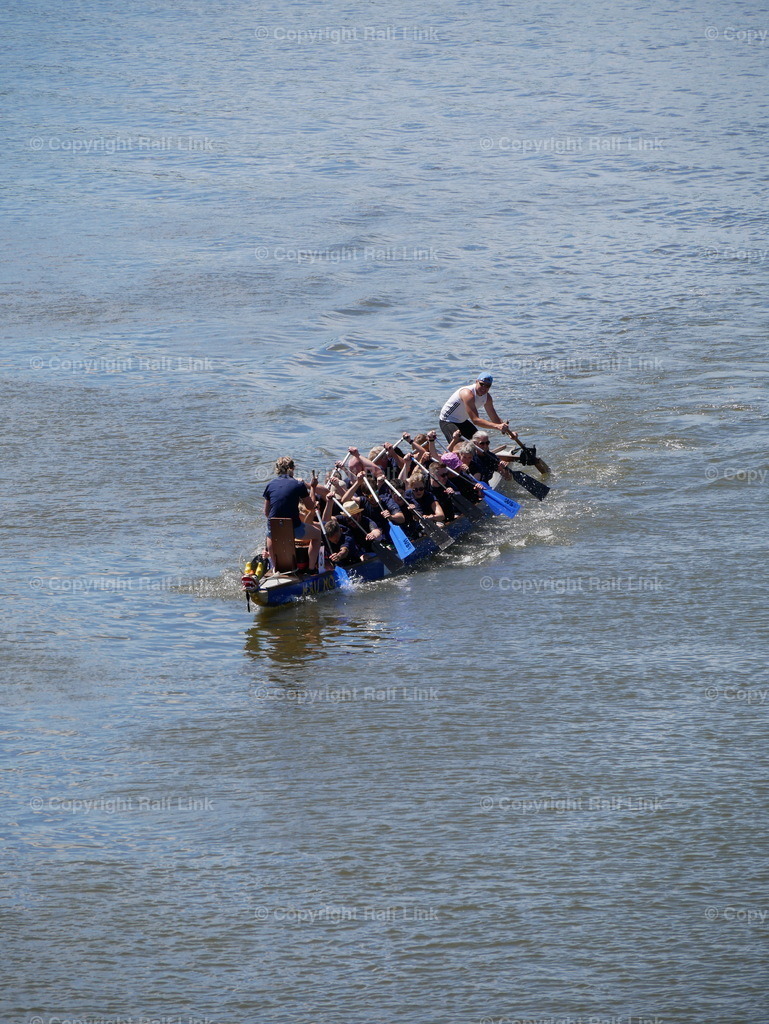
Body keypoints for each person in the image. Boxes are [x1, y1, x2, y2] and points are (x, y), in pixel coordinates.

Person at [262, 456, 321, 571]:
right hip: (294, 526)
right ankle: (311, 569)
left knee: (270, 534)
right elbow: (310, 507)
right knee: (317, 535)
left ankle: (275, 568)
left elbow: (266, 513)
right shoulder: (298, 484)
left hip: (274, 527)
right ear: (292, 469)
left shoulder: (269, 485)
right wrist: (313, 487)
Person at [438, 373, 519, 445]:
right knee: (459, 446)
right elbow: (475, 420)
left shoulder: (487, 398)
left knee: (481, 442)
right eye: (482, 384)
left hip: (462, 421)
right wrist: (497, 427)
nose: (484, 388)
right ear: (476, 381)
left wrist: (509, 433)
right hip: (448, 420)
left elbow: (495, 418)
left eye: (487, 386)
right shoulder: (467, 394)